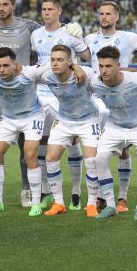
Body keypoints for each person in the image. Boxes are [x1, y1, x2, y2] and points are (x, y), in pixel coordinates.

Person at [0, 48, 86, 216]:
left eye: (6, 65)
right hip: (9, 118)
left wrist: (76, 66)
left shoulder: (30, 73)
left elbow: (54, 65)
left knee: (30, 154)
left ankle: (36, 203)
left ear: (15, 64)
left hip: (32, 117)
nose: (1, 70)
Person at [0, 0, 41, 208]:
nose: (1, 8)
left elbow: (48, 40)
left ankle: (27, 190)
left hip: (23, 92)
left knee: (27, 145)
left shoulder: (29, 26)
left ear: (13, 5)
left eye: (6, 4)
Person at [30, 0, 91, 210]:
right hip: (42, 92)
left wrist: (80, 41)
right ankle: (47, 191)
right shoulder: (36, 34)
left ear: (59, 11)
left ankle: (75, 190)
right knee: (42, 140)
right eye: (43, 9)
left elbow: (88, 57)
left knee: (72, 139)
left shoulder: (70, 33)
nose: (46, 13)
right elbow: (37, 61)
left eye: (50, 9)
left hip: (65, 93)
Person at [83, 0, 137, 212]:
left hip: (119, 99)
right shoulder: (89, 39)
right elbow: (80, 59)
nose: (104, 17)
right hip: (95, 99)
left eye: (108, 13)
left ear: (117, 16)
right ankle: (99, 196)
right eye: (101, 13)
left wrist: (130, 71)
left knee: (123, 151)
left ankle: (122, 198)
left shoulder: (130, 37)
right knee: (97, 151)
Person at [91, 46, 137, 221]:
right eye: (101, 66)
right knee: (100, 159)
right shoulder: (95, 82)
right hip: (115, 125)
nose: (104, 70)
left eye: (109, 66)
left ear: (118, 65)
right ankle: (111, 205)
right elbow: (78, 71)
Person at [39, 45, 100, 216]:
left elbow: (104, 77)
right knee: (50, 158)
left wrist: (77, 67)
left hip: (88, 120)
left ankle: (91, 204)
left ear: (69, 62)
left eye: (59, 60)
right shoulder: (46, 75)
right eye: (52, 59)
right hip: (64, 120)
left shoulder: (84, 74)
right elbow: (26, 72)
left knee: (91, 161)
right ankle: (59, 203)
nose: (55, 63)